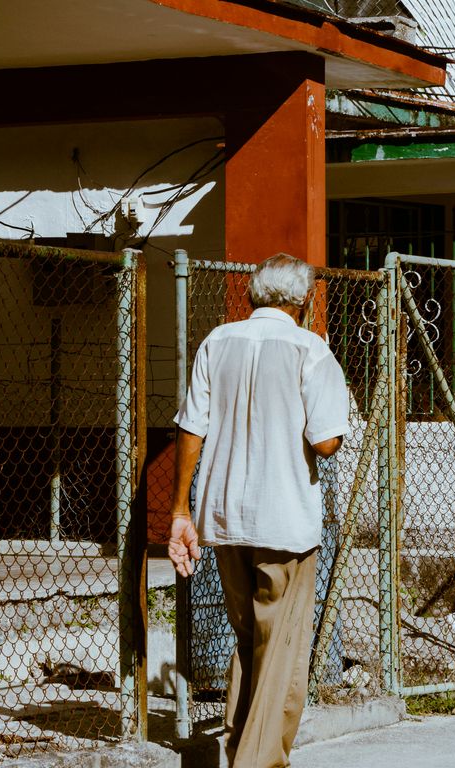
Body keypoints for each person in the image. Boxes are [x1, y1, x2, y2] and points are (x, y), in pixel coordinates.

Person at [169, 253, 350, 768]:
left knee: (249, 642)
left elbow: (191, 428)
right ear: (304, 300)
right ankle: (258, 763)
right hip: (285, 521)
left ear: (253, 295)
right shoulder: (310, 350)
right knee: (283, 652)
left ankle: (239, 746)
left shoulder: (217, 342)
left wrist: (181, 510)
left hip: (224, 518)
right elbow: (326, 442)